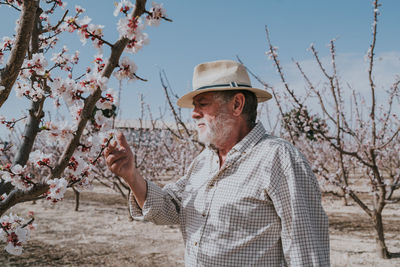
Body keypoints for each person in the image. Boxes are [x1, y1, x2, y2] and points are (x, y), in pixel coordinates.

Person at [105, 60, 330, 266]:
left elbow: (306, 250)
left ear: (237, 105)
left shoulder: (277, 158)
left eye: (202, 103)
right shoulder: (204, 161)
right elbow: (169, 209)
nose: (193, 114)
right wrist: (131, 176)